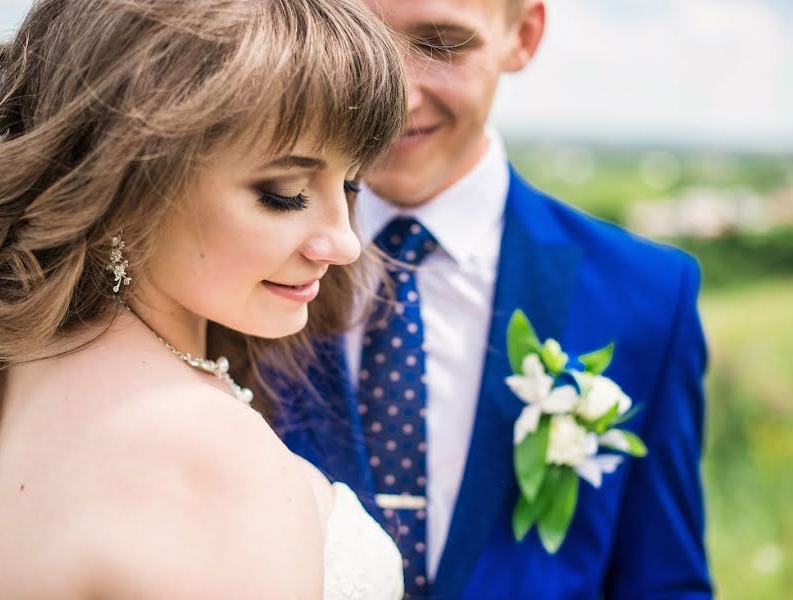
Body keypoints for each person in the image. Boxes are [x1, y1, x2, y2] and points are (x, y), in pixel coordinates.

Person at [0, 0, 410, 598]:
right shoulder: (201, 453)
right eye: (286, 193)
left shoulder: (23, 366)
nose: (344, 241)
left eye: (350, 185)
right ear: (122, 184)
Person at [275, 0, 715, 598]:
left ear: (523, 35)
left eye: (442, 44)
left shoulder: (648, 297)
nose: (397, 95)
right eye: (361, 39)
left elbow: (663, 582)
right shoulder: (234, 271)